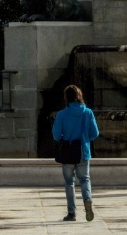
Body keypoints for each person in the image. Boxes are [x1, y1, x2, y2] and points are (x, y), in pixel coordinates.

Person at [52, 84, 99, 222]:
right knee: (85, 179)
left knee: (69, 183)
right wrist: (84, 140)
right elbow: (95, 133)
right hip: (83, 152)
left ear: (67, 97)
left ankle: (72, 213)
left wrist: (63, 139)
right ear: (79, 96)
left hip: (67, 152)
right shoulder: (88, 112)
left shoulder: (61, 114)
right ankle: (88, 200)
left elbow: (55, 135)